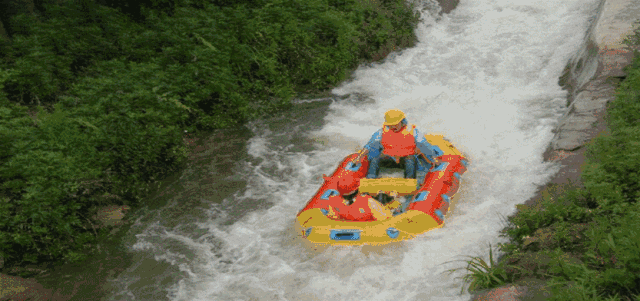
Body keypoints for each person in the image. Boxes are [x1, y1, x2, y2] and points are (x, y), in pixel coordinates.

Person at [354, 109, 443, 182]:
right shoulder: (382, 131)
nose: (393, 127)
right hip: (389, 158)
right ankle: (370, 180)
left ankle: (409, 182)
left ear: (402, 121)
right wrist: (359, 157)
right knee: (375, 159)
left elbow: (424, 145)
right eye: (391, 125)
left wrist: (434, 158)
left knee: (410, 160)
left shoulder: (412, 131)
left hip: (406, 159)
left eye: (395, 124)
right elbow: (370, 145)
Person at [326, 176, 393, 221]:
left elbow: (332, 219)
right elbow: (386, 218)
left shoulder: (332, 200)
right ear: (357, 189)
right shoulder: (367, 201)